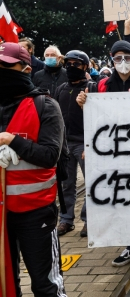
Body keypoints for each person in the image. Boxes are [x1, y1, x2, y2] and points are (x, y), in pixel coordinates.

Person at [76, 40, 130, 267]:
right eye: (117, 58)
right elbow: (94, 120)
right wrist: (84, 104)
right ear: (111, 59)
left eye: (127, 57)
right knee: (125, 197)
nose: (122, 62)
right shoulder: (101, 86)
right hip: (116, 152)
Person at [0, 42, 67, 296]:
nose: (1, 70)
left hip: (35, 213)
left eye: (7, 65)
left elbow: (51, 155)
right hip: (1, 213)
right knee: (5, 283)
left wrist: (12, 141)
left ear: (26, 69)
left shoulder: (45, 106)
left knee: (46, 285)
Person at [54, 50, 95, 238]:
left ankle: (89, 220)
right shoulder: (61, 89)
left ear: (85, 67)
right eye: (68, 63)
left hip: (84, 144)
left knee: (91, 183)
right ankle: (66, 220)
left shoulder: (91, 88)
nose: (71, 67)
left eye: (76, 64)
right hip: (64, 144)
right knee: (66, 184)